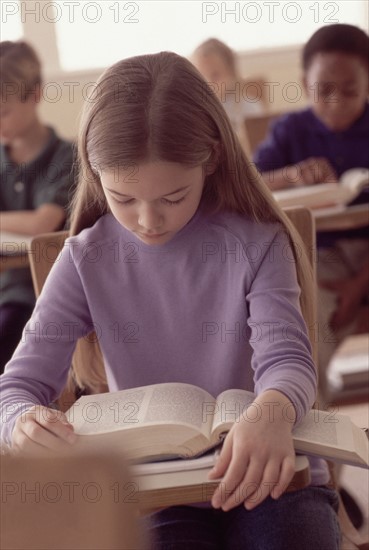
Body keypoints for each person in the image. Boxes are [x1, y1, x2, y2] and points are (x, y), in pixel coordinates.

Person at [0, 52, 340, 549]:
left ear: (213, 159)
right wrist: (21, 422)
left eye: (173, 197)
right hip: (157, 492)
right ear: (95, 175)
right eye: (123, 198)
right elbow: (17, 387)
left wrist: (270, 412)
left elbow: (286, 359)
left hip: (270, 473)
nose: (148, 221)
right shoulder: (83, 259)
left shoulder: (257, 242)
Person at [254, 24, 369, 374]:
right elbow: (249, 182)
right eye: (323, 90)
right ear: (305, 85)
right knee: (307, 311)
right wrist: (289, 176)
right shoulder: (291, 131)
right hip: (320, 254)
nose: (335, 103)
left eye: (349, 91)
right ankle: (323, 409)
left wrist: (359, 286)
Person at [0, 40, 75, 373]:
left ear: (35, 94)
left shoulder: (65, 156)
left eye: (3, 112)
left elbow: (43, 223)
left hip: (43, 296)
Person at [191, 38, 265, 153]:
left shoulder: (249, 106)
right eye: (202, 77)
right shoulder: (196, 110)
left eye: (215, 75)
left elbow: (257, 144)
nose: (209, 84)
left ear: (231, 73)